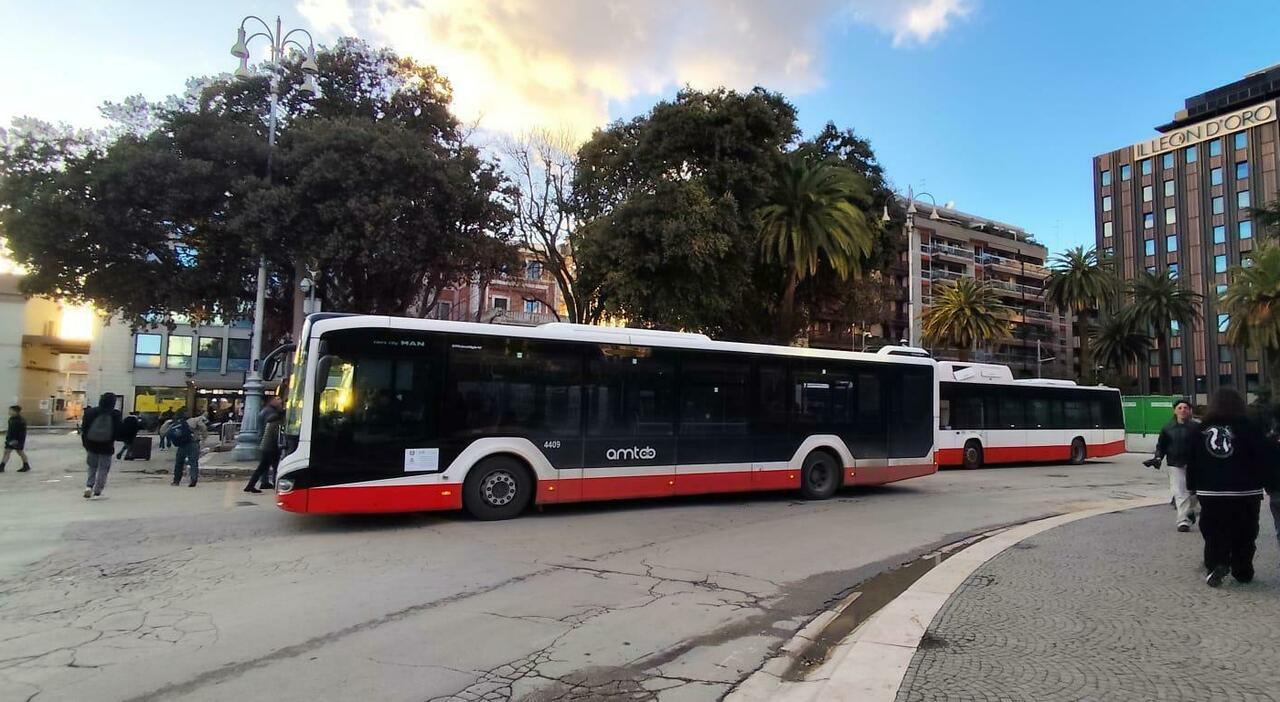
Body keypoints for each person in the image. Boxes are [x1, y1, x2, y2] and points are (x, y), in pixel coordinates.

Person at [1187, 388, 1272, 587]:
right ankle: (1243, 569)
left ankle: (1217, 563)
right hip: (1246, 491)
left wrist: (1192, 487)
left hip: (1211, 491)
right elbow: (1263, 456)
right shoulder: (1250, 426)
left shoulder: (1199, 430)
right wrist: (1267, 482)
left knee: (1214, 531)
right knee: (1246, 531)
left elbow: (1192, 460)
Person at [1143, 399, 1200, 531]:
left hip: (1194, 464)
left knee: (1196, 493)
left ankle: (1190, 511)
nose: (1183, 410)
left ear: (1190, 410)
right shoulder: (1167, 428)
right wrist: (1157, 458)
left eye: (1185, 408)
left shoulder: (1196, 428)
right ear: (1174, 410)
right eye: (1179, 408)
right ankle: (1183, 521)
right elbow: (1161, 446)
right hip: (1175, 464)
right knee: (1180, 492)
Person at [80, 393, 121, 499]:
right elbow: (117, 430)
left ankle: (88, 487)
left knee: (92, 466)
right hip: (107, 445)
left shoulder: (90, 412)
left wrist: (85, 443)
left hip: (91, 443)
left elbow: (84, 429)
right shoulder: (115, 414)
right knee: (103, 468)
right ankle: (97, 491)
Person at [245, 396, 283, 493]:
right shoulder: (275, 420)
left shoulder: (270, 417)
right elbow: (277, 437)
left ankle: (251, 485)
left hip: (266, 446)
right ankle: (275, 485)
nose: (280, 401)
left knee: (262, 467)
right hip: (271, 448)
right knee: (275, 466)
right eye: (278, 399)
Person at [169, 411, 207, 487]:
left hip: (182, 445)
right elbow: (203, 427)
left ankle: (176, 481)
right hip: (193, 443)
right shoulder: (195, 420)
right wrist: (204, 436)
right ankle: (193, 479)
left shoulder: (177, 423)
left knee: (179, 463)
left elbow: (164, 431)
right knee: (193, 462)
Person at [1, 405, 31, 472]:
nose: (9, 412)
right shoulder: (11, 419)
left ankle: (26, 465)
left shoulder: (20, 421)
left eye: (11, 410)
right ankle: (2, 466)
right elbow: (10, 430)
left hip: (17, 440)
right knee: (7, 452)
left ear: (16, 412)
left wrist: (16, 440)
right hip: (11, 439)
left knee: (19, 452)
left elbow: (21, 432)